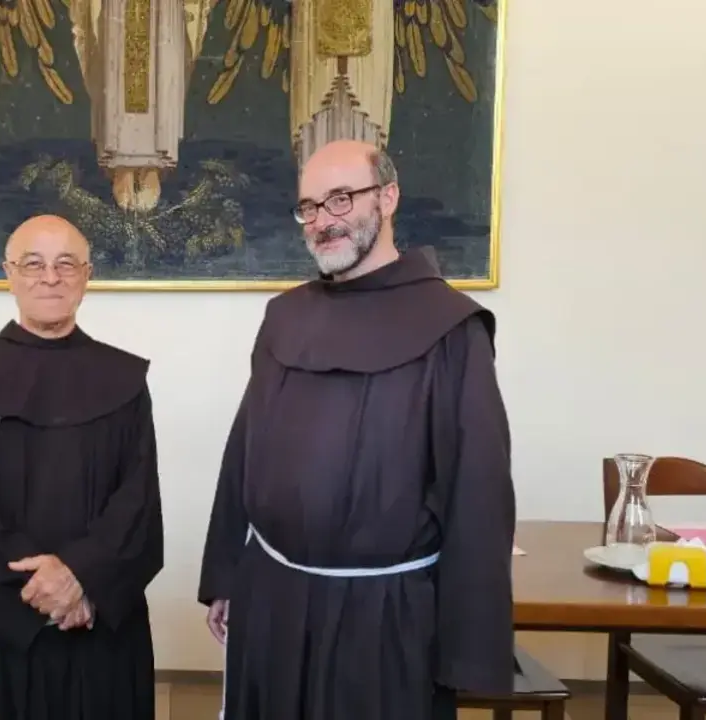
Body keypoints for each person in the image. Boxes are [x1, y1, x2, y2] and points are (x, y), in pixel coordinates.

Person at [197, 139, 516, 719]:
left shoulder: (451, 328)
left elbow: (478, 490)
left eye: (341, 199)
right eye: (310, 207)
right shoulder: (285, 316)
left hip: (384, 616)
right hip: (274, 598)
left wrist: (467, 645)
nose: (323, 220)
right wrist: (225, 571)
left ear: (388, 197)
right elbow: (244, 449)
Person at [0, 214, 165, 720]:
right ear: (9, 274)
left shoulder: (125, 382)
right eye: (33, 264)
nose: (50, 278)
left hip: (99, 625)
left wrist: (81, 578)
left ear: (87, 276)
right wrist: (40, 593)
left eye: (66, 264)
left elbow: (137, 507)